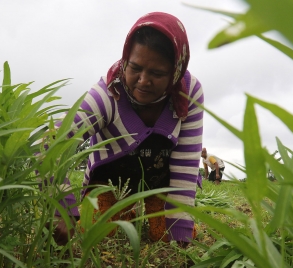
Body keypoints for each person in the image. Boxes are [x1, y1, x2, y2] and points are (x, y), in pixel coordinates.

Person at [48, 12, 204, 247]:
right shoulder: (107, 96)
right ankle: (120, 210)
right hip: (110, 182)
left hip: (158, 185)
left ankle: (147, 212)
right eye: (135, 68)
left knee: (165, 236)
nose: (143, 80)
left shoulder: (188, 93)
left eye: (157, 74)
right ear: (125, 60)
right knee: (98, 233)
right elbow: (50, 144)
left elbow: (186, 164)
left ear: (176, 72)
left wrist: (180, 228)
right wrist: (64, 208)